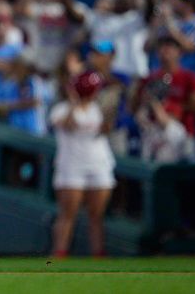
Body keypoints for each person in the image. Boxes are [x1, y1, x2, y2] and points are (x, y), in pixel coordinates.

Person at [49, 71, 115, 258]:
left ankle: (98, 254)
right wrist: (74, 102)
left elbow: (107, 129)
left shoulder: (98, 109)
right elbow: (67, 124)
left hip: (98, 163)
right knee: (68, 213)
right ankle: (60, 253)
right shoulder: (61, 109)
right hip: (72, 165)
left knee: (96, 215)